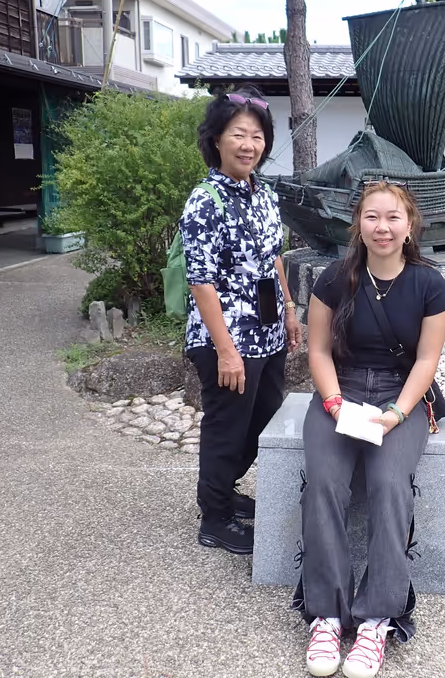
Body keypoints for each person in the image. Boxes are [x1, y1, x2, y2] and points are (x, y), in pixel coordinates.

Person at [293, 182, 445, 678]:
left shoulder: (429, 283)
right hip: (339, 389)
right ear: (357, 224)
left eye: (393, 218)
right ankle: (325, 613)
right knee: (323, 482)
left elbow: (427, 360)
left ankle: (378, 616)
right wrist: (335, 402)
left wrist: (399, 413)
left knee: (388, 485)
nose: (382, 227)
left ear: (410, 226)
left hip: (398, 395)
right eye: (372, 217)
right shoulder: (336, 278)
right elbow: (317, 350)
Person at [180, 88, 302, 555]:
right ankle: (214, 517)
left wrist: (290, 311)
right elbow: (201, 281)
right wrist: (227, 350)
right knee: (227, 427)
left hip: (267, 333)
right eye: (238, 135)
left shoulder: (264, 193)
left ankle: (223, 491)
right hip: (226, 341)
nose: (248, 145)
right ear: (216, 140)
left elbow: (273, 259)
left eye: (257, 136)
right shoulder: (205, 200)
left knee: (261, 424)